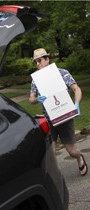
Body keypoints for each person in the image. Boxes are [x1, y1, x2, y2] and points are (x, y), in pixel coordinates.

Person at [29, 48, 88, 176]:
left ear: (47, 59)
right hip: (48, 119)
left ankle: (79, 158)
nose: (37, 64)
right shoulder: (36, 80)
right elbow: (31, 99)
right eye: (35, 62)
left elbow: (76, 89)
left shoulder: (62, 73)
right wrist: (37, 99)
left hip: (64, 117)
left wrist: (76, 104)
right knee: (51, 153)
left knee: (71, 151)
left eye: (39, 60)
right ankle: (54, 178)